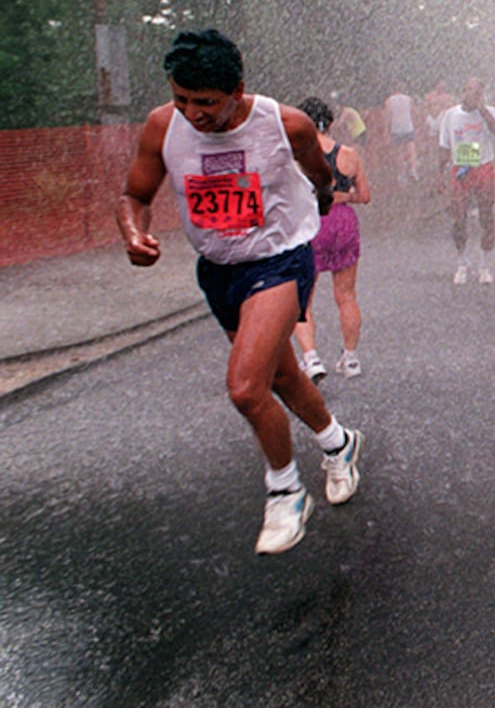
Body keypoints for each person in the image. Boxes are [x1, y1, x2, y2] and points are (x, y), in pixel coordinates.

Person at [117, 30, 364, 555]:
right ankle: (338, 443)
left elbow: (322, 180)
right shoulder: (164, 127)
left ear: (237, 89)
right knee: (281, 375)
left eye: (205, 102)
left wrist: (317, 205)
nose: (193, 114)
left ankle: (286, 491)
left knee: (246, 387)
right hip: (219, 270)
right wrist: (133, 231)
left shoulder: (285, 123)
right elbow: (135, 194)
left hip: (279, 261)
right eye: (181, 98)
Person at [294, 97, 372, 380]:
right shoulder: (348, 154)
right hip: (342, 222)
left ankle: (311, 358)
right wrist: (344, 195)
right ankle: (351, 359)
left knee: (302, 298)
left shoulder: (296, 156)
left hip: (309, 224)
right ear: (331, 123)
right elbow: (364, 196)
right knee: (347, 295)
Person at [438, 77, 495, 281]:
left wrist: (482, 110)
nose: (472, 96)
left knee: (486, 216)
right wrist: (439, 174)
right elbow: (444, 147)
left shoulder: (489, 112)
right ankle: (462, 261)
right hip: (461, 169)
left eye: (478, 93)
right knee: (458, 218)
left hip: (483, 167)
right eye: (469, 91)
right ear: (462, 92)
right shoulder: (450, 115)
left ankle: (484, 264)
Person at [385, 87, 419, 183]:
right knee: (411, 150)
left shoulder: (389, 101)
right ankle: (413, 170)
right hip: (408, 127)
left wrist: (386, 131)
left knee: (399, 152)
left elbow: (387, 117)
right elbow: (414, 113)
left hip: (396, 128)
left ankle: (401, 174)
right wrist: (417, 125)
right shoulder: (408, 99)